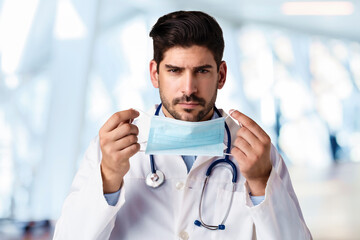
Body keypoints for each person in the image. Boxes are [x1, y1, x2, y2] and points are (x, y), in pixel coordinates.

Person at [54, 11, 312, 239]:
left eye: (202, 71)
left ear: (221, 75)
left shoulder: (257, 153)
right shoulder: (112, 149)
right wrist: (109, 177)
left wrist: (260, 181)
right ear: (155, 74)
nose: (188, 89)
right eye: (175, 71)